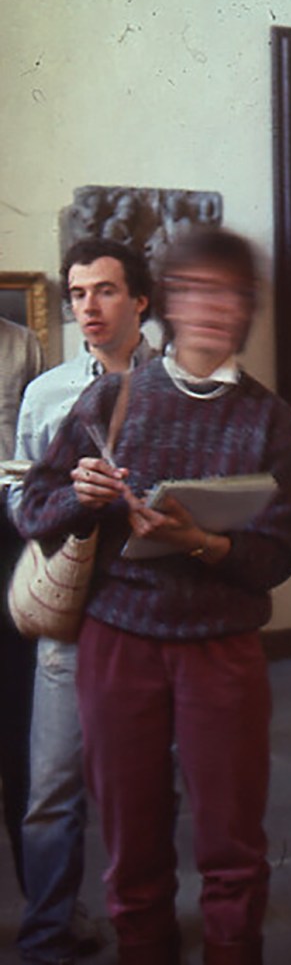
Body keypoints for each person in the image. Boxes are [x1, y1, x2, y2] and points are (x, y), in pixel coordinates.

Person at [15, 229, 291, 965]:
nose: (212, 307)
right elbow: (34, 507)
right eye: (196, 289)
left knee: (232, 841)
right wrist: (82, 496)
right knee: (132, 842)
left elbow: (279, 551)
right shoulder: (114, 394)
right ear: (167, 301)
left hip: (222, 647)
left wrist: (204, 542)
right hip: (120, 641)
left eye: (230, 293)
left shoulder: (267, 417)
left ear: (248, 308)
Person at [10, 238, 157, 965]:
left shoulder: (184, 382)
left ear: (141, 300)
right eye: (76, 293)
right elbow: (21, 498)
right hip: (72, 607)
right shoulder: (48, 393)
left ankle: (145, 927)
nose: (88, 307)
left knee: (149, 788)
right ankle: (47, 932)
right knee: (53, 787)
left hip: (155, 609)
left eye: (104, 291)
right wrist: (73, 496)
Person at [1, 315, 45, 896]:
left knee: (20, 732)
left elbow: (34, 445)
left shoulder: (20, 342)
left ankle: (45, 906)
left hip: (7, 544)